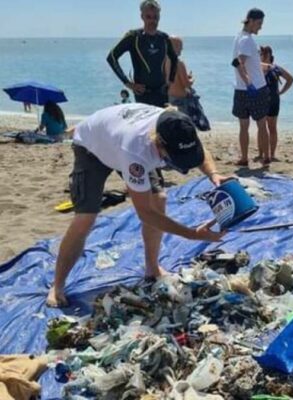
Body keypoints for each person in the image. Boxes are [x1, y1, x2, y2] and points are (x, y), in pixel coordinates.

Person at [46, 104, 227, 307]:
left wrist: (213, 174)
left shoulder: (179, 126)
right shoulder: (136, 152)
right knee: (85, 219)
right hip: (92, 148)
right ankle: (57, 285)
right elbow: (145, 213)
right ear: (158, 144)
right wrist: (192, 234)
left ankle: (152, 268)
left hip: (118, 135)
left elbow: (201, 152)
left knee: (159, 199)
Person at [106, 0, 178, 107]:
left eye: (155, 17)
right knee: (147, 123)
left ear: (159, 17)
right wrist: (128, 84)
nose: (152, 21)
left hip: (162, 93)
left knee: (162, 123)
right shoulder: (133, 37)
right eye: (148, 17)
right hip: (143, 94)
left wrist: (171, 81)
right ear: (142, 16)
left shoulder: (163, 38)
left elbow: (174, 59)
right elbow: (111, 57)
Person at [232, 8, 271, 168]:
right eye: (260, 23)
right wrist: (249, 83)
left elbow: (245, 62)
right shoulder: (247, 40)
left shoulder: (239, 37)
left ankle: (245, 158)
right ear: (252, 21)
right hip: (253, 88)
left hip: (241, 89)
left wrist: (264, 66)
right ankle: (266, 157)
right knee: (261, 123)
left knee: (244, 125)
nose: (260, 27)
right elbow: (238, 63)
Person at [258, 45, 293, 161]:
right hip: (264, 100)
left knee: (270, 128)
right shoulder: (262, 68)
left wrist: (281, 92)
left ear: (267, 55)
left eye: (261, 54)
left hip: (272, 101)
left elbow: (290, 79)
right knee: (263, 128)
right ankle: (263, 153)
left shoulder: (274, 68)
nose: (260, 56)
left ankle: (270, 154)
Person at [168, 37, 211, 131]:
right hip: (181, 101)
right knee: (186, 127)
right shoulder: (179, 63)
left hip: (170, 98)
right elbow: (186, 84)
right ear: (174, 47)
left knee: (175, 127)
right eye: (180, 47)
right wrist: (192, 79)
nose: (181, 50)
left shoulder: (163, 62)